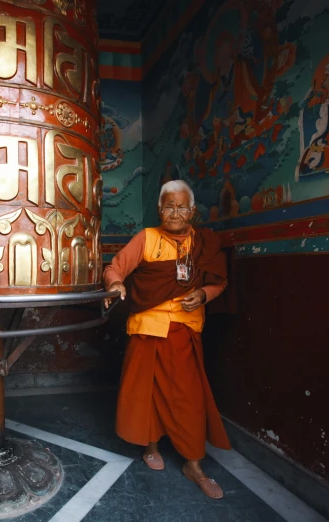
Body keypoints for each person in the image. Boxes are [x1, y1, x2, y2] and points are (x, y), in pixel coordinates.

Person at [103, 180, 231, 499]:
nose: (175, 213)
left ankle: (193, 463)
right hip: (148, 327)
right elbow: (115, 267)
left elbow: (219, 283)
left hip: (184, 329)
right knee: (146, 391)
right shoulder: (147, 238)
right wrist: (116, 285)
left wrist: (202, 294)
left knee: (188, 396)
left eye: (182, 207)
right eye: (169, 206)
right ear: (160, 209)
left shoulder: (203, 243)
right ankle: (151, 446)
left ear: (193, 211)